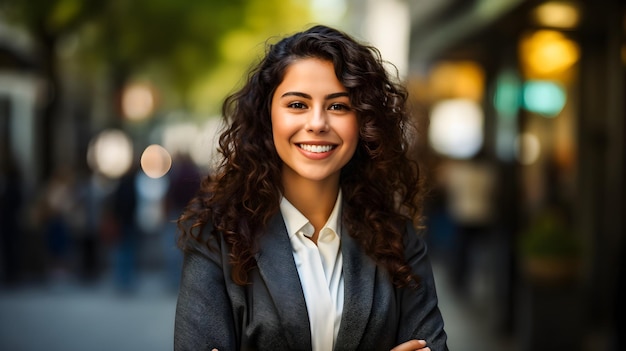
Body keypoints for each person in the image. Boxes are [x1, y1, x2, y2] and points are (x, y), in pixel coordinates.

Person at [174, 25, 448, 351]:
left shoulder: (397, 238)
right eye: (297, 105)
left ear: (363, 122)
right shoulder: (218, 238)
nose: (317, 123)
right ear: (267, 116)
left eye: (338, 106)